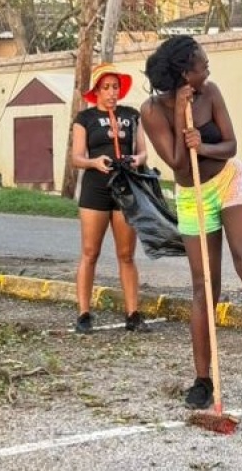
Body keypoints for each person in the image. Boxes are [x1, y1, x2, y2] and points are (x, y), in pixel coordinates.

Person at [139, 35, 242, 409]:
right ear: (184, 74)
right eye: (202, 65)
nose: (208, 69)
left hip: (230, 181)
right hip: (193, 196)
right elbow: (177, 162)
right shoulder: (151, 110)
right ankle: (203, 380)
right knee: (205, 285)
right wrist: (179, 113)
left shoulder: (212, 92)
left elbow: (231, 145)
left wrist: (202, 145)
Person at [70, 62, 151, 334]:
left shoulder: (131, 115)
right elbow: (76, 158)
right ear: (97, 91)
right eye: (106, 87)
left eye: (115, 87)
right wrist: (94, 162)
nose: (112, 92)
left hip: (125, 187)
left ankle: (133, 314)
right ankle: (84, 314)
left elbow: (143, 152)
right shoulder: (85, 118)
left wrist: (135, 160)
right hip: (96, 188)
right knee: (90, 252)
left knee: (126, 254)